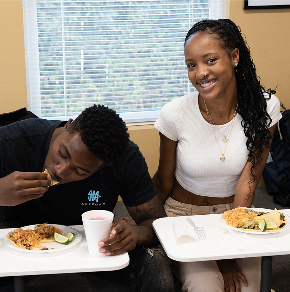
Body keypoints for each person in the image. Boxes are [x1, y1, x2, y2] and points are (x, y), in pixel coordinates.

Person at [153, 19, 281, 292]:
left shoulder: (265, 108)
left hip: (236, 213)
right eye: (191, 65)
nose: (200, 73)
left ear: (234, 57)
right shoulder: (174, 114)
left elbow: (248, 182)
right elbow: (163, 181)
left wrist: (229, 251)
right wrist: (142, 220)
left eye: (210, 60)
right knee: (206, 287)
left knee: (251, 287)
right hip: (184, 216)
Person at [0, 104, 174, 291]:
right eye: (62, 153)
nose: (60, 170)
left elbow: (156, 223)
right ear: (68, 126)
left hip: (91, 247)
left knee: (155, 263)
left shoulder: (124, 159)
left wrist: (136, 234)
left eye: (79, 171)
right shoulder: (12, 140)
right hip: (12, 246)